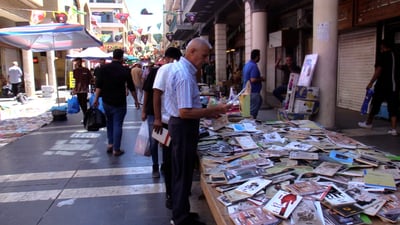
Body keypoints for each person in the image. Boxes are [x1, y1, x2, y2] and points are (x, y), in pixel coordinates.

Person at [164, 37, 231, 225]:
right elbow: (185, 112)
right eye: (204, 56)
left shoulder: (182, 69)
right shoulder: (184, 75)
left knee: (182, 172)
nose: (206, 60)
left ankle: (181, 212)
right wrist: (213, 110)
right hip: (183, 127)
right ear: (191, 52)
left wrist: (208, 112)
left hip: (180, 126)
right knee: (183, 173)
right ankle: (181, 218)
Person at [142, 47, 182, 180]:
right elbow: (149, 92)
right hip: (155, 114)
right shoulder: (156, 72)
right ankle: (155, 165)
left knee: (165, 143)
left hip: (167, 116)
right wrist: (145, 111)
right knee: (155, 141)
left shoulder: (179, 72)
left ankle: (164, 166)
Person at [93, 49, 140, 156]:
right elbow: (131, 87)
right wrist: (136, 100)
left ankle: (110, 144)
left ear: (113, 56)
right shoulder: (124, 70)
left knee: (110, 122)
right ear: (121, 57)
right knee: (118, 124)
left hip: (106, 101)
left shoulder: (103, 69)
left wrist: (96, 99)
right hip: (119, 101)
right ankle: (116, 149)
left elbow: (98, 85)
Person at [152, 47, 182, 208]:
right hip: (164, 121)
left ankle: (173, 192)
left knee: (169, 157)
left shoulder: (171, 68)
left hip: (165, 120)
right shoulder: (166, 69)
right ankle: (171, 193)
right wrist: (157, 118)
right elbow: (156, 93)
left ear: (168, 57)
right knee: (169, 157)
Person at [358, 39, 399, 136]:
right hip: (393, 86)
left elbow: (378, 70)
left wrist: (371, 82)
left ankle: (368, 123)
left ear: (383, 46)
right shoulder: (395, 56)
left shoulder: (383, 56)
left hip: (382, 85)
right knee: (393, 106)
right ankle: (393, 129)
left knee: (375, 103)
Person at [242, 49, 265, 119]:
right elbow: (253, 79)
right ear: (257, 57)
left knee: (245, 114)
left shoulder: (246, 65)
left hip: (245, 91)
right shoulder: (254, 66)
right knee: (251, 115)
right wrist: (261, 79)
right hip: (253, 92)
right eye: (259, 56)